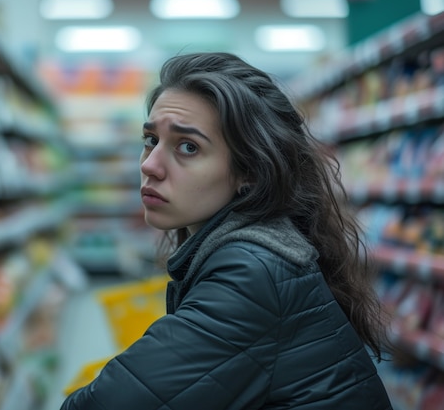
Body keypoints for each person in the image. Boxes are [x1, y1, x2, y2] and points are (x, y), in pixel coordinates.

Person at [60, 52, 392, 409]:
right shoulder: (265, 250)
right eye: (151, 140)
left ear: (250, 172)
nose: (150, 165)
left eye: (188, 147)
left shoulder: (252, 274)